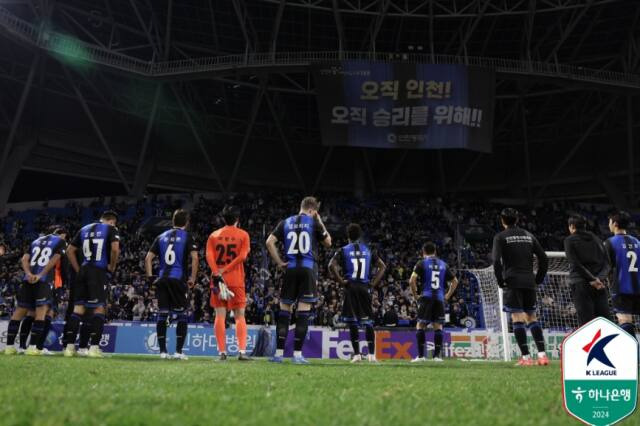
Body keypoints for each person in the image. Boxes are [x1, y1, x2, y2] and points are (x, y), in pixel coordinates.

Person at [266, 196, 331, 364]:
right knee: (303, 313)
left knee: (284, 312)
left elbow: (269, 242)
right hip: (308, 269)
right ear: (312, 210)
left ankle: (279, 354)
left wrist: (279, 262)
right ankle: (297, 355)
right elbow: (328, 243)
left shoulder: (285, 222)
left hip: (290, 268)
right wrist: (320, 220)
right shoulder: (313, 222)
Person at [492, 208, 549, 366]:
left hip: (513, 280)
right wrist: (538, 278)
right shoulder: (528, 235)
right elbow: (543, 258)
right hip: (529, 281)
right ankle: (543, 356)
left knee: (517, 318)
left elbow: (496, 261)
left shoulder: (500, 237)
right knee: (532, 317)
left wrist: (500, 280)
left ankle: (526, 358)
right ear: (517, 220)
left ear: (502, 221)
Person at [63, 211, 120, 358]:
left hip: (83, 271)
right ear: (111, 221)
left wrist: (78, 269)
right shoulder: (111, 229)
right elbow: (115, 249)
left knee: (78, 310)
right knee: (99, 309)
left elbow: (69, 250)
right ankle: (94, 348)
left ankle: (69, 348)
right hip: (98, 272)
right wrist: (112, 266)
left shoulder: (84, 229)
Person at [328, 223, 386, 363]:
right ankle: (372, 355)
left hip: (351, 286)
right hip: (365, 286)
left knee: (353, 321)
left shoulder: (343, 250)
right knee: (368, 322)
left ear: (348, 236)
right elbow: (383, 267)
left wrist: (341, 281)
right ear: (359, 236)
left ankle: (357, 355)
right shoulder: (369, 249)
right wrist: (372, 284)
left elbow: (331, 265)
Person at [145, 209, 198, 360]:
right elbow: (195, 258)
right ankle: (178, 352)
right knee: (182, 315)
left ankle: (162, 352)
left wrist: (150, 278)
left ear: (173, 221)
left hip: (162, 280)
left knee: (163, 314)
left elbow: (148, 258)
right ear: (186, 223)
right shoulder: (187, 237)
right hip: (178, 279)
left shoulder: (161, 236)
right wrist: (193, 278)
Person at [3, 228, 66, 355]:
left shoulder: (36, 241)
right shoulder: (60, 241)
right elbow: (55, 259)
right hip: (43, 282)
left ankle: (9, 347)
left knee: (19, 312)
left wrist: (28, 273)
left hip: (28, 280)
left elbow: (24, 259)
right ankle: (33, 348)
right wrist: (41, 274)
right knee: (41, 313)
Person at [206, 205, 251, 361]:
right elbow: (243, 256)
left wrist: (217, 271)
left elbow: (209, 256)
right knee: (240, 316)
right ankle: (242, 352)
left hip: (218, 280)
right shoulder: (243, 235)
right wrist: (226, 269)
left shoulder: (213, 235)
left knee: (219, 316)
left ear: (223, 219)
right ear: (237, 219)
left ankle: (222, 353)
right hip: (236, 280)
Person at [409, 242, 458, 362]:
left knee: (420, 325)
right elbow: (455, 281)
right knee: (438, 326)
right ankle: (436, 357)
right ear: (435, 252)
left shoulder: (421, 263)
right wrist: (447, 296)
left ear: (423, 252)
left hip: (426, 297)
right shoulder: (443, 264)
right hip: (439, 299)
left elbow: (412, 281)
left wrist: (415, 296)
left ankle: (421, 356)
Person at [564, 214, 610, 327]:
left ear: (571, 226)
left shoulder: (569, 240)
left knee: (586, 322)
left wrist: (592, 279)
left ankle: (588, 345)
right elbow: (608, 263)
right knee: (604, 321)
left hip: (581, 284)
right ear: (585, 225)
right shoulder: (597, 238)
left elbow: (575, 264)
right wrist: (599, 278)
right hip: (600, 285)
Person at [604, 211, 639, 340]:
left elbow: (606, 267)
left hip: (620, 287)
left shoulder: (610, 242)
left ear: (615, 224)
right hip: (638, 286)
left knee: (624, 320)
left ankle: (634, 353)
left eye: (609, 222)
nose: (608, 225)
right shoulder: (637, 241)